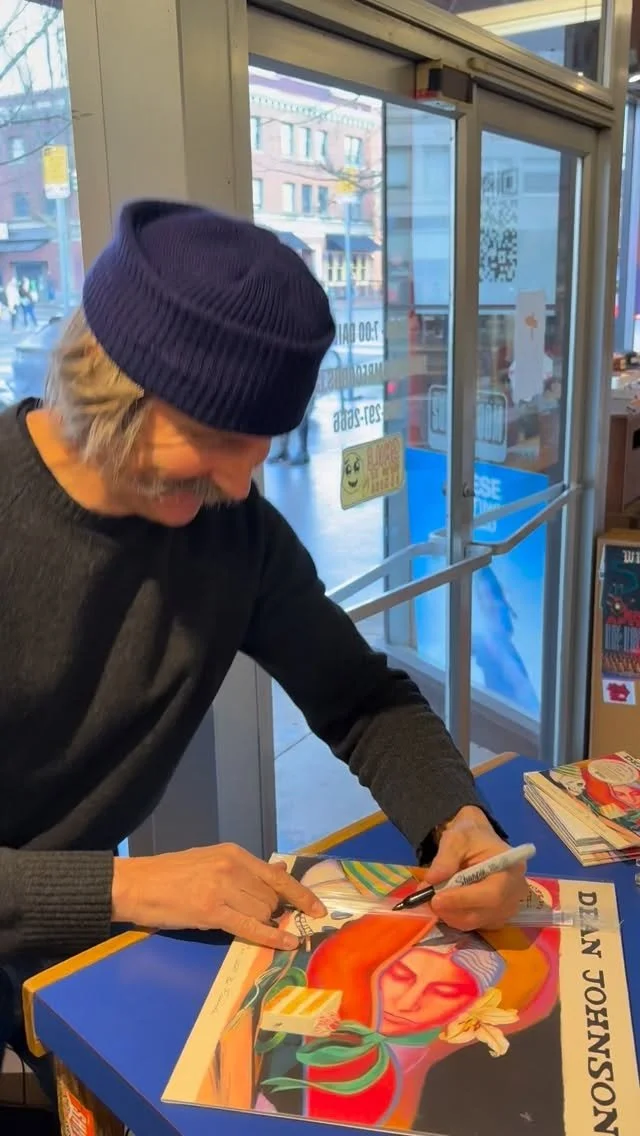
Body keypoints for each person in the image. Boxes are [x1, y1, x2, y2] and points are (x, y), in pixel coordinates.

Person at [0, 199, 526, 1083]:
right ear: (108, 388)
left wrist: (458, 819)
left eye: (262, 445)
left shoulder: (233, 536)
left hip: (55, 931)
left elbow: (361, 698)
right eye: (215, 438)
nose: (242, 485)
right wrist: (128, 885)